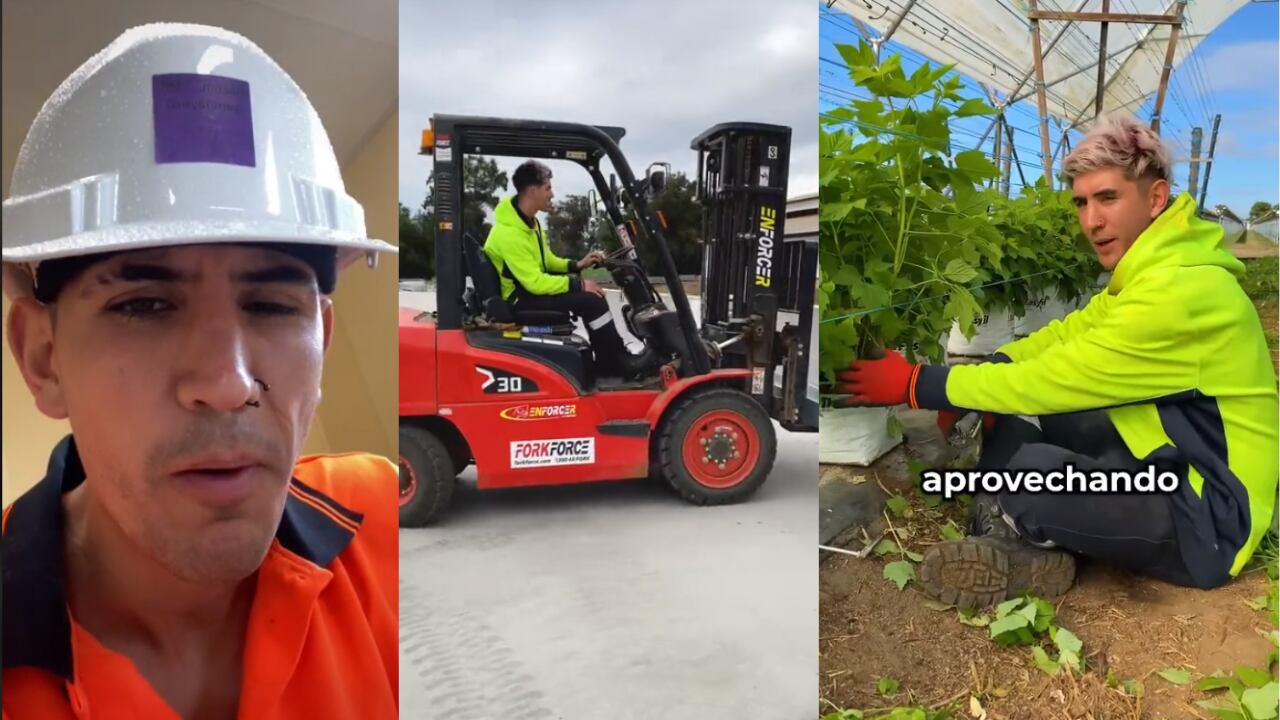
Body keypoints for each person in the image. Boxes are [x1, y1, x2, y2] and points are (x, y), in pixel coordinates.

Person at [1, 24, 398, 718]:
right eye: (145, 304)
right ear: (42, 358)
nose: (227, 383)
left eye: (273, 305)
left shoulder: (385, 528)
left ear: (323, 339)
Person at [835, 114, 1279, 607]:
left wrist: (922, 384)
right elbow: (1069, 333)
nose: (1092, 220)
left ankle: (1016, 529)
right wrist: (990, 368)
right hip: (1165, 453)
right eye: (1082, 203)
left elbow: (1057, 378)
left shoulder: (1182, 293)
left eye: (1108, 198)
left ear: (1155, 198)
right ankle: (1010, 527)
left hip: (1211, 518)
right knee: (1014, 419)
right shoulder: (1154, 271)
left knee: (1031, 469)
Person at [484, 159, 656, 379]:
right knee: (591, 299)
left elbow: (548, 261)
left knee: (589, 296)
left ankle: (608, 359)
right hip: (518, 299)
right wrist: (579, 283)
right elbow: (534, 283)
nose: (552, 194)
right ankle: (614, 362)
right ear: (532, 190)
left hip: (525, 292)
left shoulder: (529, 223)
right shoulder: (509, 234)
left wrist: (578, 265)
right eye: (548, 188)